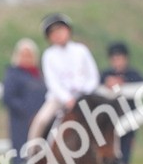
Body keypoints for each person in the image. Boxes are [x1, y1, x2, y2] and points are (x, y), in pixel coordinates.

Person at [27, 13, 100, 143]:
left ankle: (111, 156)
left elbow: (93, 76)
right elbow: (52, 82)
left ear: (68, 30)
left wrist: (85, 92)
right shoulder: (49, 55)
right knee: (41, 120)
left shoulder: (81, 50)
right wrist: (67, 98)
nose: (58, 35)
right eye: (53, 33)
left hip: (85, 96)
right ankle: (31, 154)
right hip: (59, 99)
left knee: (106, 116)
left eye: (60, 30)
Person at [99, 41, 143, 164]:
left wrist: (124, 83)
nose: (117, 61)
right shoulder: (104, 75)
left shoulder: (134, 75)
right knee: (109, 159)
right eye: (114, 58)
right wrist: (107, 83)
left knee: (124, 160)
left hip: (128, 127)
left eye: (120, 57)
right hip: (108, 128)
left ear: (125, 58)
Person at [2, 38, 46, 164]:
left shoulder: (40, 74)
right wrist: (27, 112)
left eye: (29, 55)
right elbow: (8, 97)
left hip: (40, 119)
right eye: (23, 55)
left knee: (39, 150)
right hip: (21, 121)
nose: (27, 58)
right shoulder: (13, 74)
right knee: (21, 152)